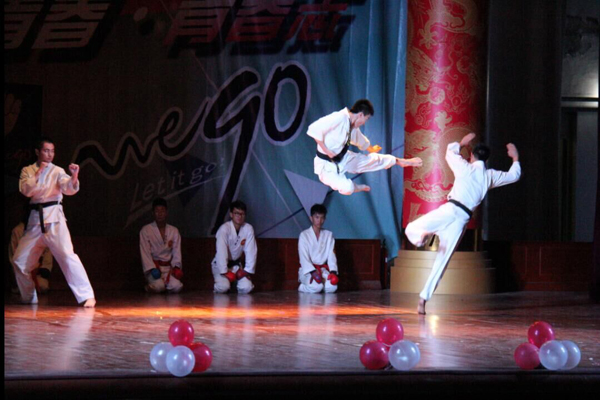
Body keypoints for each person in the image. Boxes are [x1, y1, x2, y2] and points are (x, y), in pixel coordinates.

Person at [405, 133, 521, 314]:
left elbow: (449, 153)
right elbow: (514, 176)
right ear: (486, 159)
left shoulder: (465, 167)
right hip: (461, 220)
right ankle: (423, 299)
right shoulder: (488, 176)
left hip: (450, 210)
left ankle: (421, 238)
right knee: (442, 262)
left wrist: (461, 143)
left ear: (472, 156)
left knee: (411, 228)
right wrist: (515, 158)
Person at [11, 137, 96, 307]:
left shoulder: (57, 171)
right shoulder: (27, 170)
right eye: (46, 151)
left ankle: (87, 296)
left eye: (52, 151)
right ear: (38, 152)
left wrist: (74, 176)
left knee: (67, 256)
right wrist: (39, 172)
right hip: (35, 222)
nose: (50, 154)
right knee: (19, 261)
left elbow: (68, 188)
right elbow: (26, 190)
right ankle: (28, 297)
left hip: (55, 220)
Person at [307, 99, 422, 195]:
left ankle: (399, 161)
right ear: (360, 115)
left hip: (343, 158)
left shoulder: (352, 126)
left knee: (372, 160)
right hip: (326, 166)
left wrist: (371, 149)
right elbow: (314, 129)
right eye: (366, 119)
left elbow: (359, 139)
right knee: (347, 188)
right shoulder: (339, 117)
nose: (364, 123)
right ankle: (356, 187)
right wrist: (327, 151)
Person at [211, 201, 256, 294]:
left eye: (242, 214)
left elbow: (251, 251)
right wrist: (225, 271)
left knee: (247, 288)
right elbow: (221, 251)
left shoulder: (248, 229)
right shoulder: (224, 229)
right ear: (231, 214)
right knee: (223, 287)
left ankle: (235, 285)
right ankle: (220, 285)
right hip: (220, 265)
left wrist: (246, 271)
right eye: (236, 213)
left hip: (236, 266)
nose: (239, 216)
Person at [140, 198, 183, 293]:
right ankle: (149, 287)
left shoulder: (174, 231)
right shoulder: (146, 230)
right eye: (157, 211)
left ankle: (164, 286)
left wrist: (176, 267)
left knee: (177, 286)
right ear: (153, 213)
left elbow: (176, 252)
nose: (159, 214)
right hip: (154, 268)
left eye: (162, 211)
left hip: (168, 268)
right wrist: (151, 268)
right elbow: (145, 252)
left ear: (166, 213)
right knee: (159, 286)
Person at [298, 204, 339, 293]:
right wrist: (313, 272)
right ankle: (302, 287)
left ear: (324, 219)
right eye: (317, 217)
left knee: (332, 287)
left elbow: (331, 255)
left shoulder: (328, 235)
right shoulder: (304, 235)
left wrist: (333, 272)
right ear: (311, 218)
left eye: (322, 218)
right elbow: (303, 257)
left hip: (322, 269)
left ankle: (321, 285)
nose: (319, 221)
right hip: (307, 271)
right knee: (317, 287)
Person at [9, 222, 54, 294]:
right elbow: (13, 255)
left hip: (37, 273)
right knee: (23, 286)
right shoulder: (17, 231)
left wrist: (43, 269)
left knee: (42, 285)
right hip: (23, 272)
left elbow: (47, 250)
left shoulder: (41, 229)